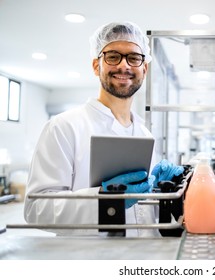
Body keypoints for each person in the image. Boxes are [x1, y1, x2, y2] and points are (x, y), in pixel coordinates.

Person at [24, 21, 183, 237]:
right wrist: (103, 199)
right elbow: (36, 209)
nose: (124, 66)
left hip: (142, 256)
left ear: (144, 69)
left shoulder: (144, 134)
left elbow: (142, 210)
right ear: (96, 65)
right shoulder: (64, 127)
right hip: (88, 259)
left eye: (134, 58)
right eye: (113, 56)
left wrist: (163, 190)